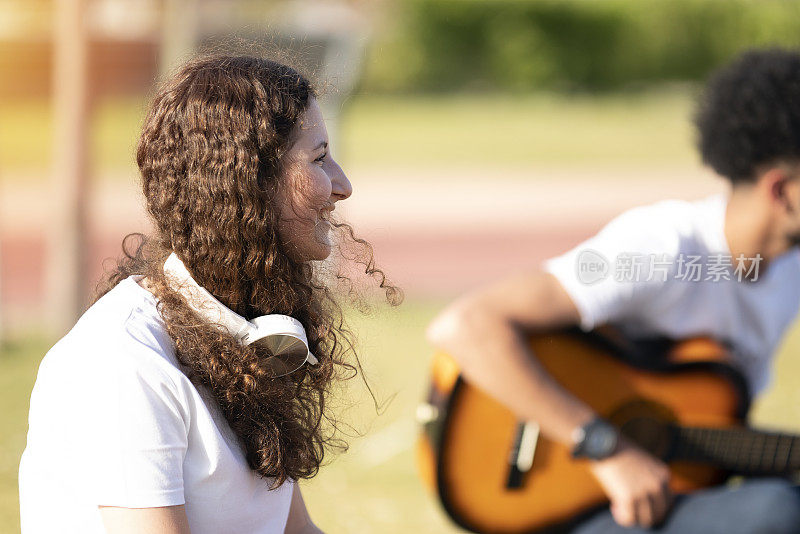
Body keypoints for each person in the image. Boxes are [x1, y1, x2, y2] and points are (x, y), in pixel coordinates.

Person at [19, 54, 397, 534]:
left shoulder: (244, 324)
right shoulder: (125, 362)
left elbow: (294, 530)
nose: (342, 185)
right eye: (319, 159)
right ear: (246, 183)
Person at [427, 48, 800, 533]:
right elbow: (465, 326)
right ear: (781, 191)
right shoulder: (665, 246)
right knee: (779, 513)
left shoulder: (788, 268)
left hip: (665, 501)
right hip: (569, 506)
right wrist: (607, 448)